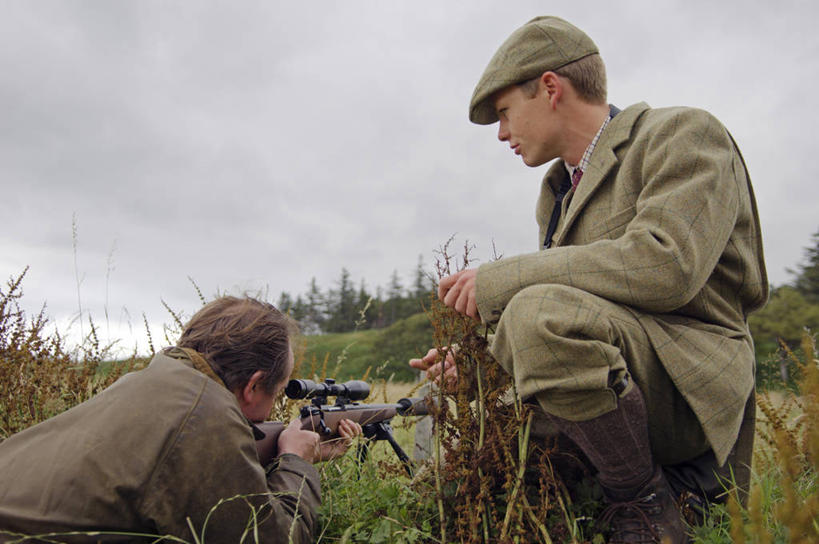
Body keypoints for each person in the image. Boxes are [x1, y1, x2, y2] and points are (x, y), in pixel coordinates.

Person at [410, 16, 767, 544]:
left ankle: (647, 511)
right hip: (616, 379)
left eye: (506, 113)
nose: (503, 133)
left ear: (550, 88)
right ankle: (636, 492)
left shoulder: (682, 134)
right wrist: (482, 362)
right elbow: (578, 310)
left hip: (687, 384)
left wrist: (503, 277)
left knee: (535, 312)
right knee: (442, 482)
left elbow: (665, 267)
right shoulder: (557, 193)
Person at [0, 296, 361, 543]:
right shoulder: (207, 416)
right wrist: (297, 461)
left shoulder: (146, 383)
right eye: (278, 392)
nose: (271, 409)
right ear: (253, 386)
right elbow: (269, 538)